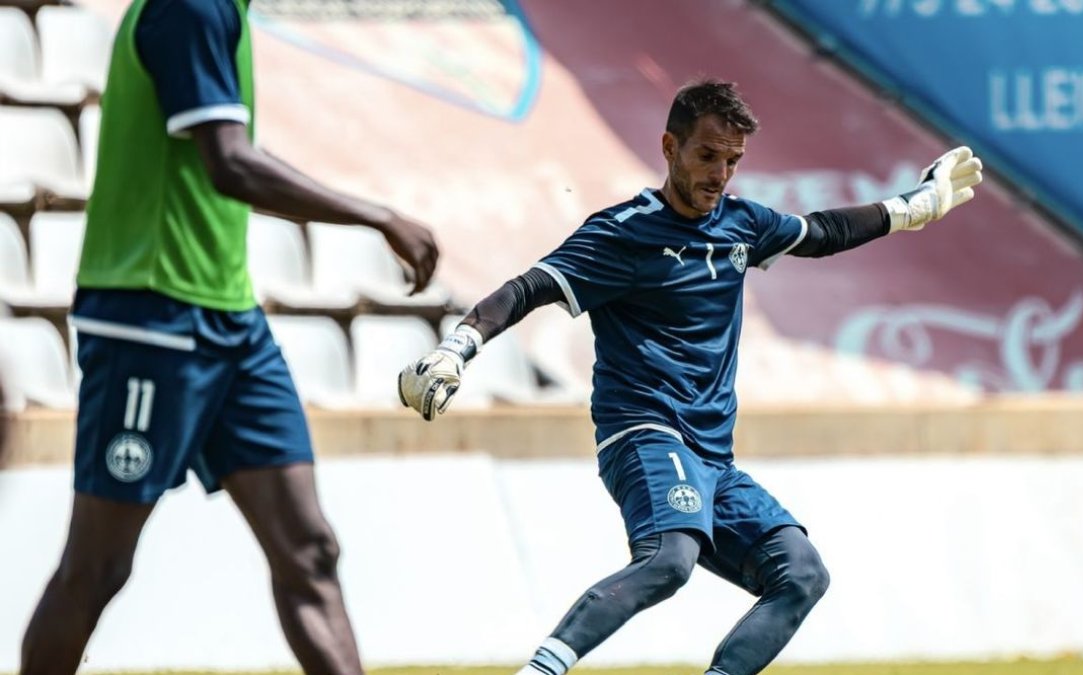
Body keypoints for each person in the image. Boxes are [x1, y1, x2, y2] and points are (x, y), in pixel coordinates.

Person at [398, 79, 982, 675]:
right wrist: (455, 349)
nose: (720, 173)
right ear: (669, 146)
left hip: (714, 458)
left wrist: (917, 207)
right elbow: (529, 289)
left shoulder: (742, 225)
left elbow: (823, 233)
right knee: (668, 561)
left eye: (732, 161)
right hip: (644, 433)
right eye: (707, 155)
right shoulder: (622, 233)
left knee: (801, 574)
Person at [20, 1, 438, 673]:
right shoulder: (189, 6)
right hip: (148, 317)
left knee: (310, 549)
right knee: (96, 567)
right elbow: (230, 165)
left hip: (229, 319)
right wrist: (377, 216)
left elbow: (228, 149)